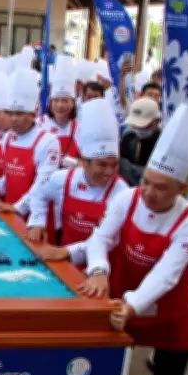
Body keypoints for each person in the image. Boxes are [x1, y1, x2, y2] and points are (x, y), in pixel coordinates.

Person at [80, 104, 188, 375]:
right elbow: (101, 238)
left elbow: (167, 273)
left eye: (161, 187)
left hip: (166, 301)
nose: (149, 193)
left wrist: (133, 304)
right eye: (147, 181)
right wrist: (98, 269)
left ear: (181, 189)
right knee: (107, 353)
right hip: (123, 286)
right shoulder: (128, 199)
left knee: (171, 364)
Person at [27, 98, 127, 265]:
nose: (109, 172)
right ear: (84, 162)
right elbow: (38, 193)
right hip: (63, 263)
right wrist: (37, 221)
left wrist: (66, 251)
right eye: (102, 165)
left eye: (114, 165)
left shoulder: (121, 192)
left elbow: (107, 238)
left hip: (101, 267)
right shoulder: (64, 178)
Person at [0, 67, 60, 226]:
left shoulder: (47, 141)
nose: (13, 119)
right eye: (10, 113)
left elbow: (42, 184)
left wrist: (18, 207)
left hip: (36, 216)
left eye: (19, 114)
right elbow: (10, 175)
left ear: (32, 114)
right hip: (9, 208)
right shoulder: (8, 137)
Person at [40, 55, 79, 166]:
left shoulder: (80, 128)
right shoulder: (40, 125)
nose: (60, 105)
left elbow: (88, 163)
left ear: (73, 103)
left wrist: (74, 163)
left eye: (65, 101)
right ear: (50, 102)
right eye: (56, 100)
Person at [120, 98, 162, 187]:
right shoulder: (128, 137)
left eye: (143, 126)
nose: (138, 129)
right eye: (134, 125)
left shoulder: (163, 144)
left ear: (156, 122)